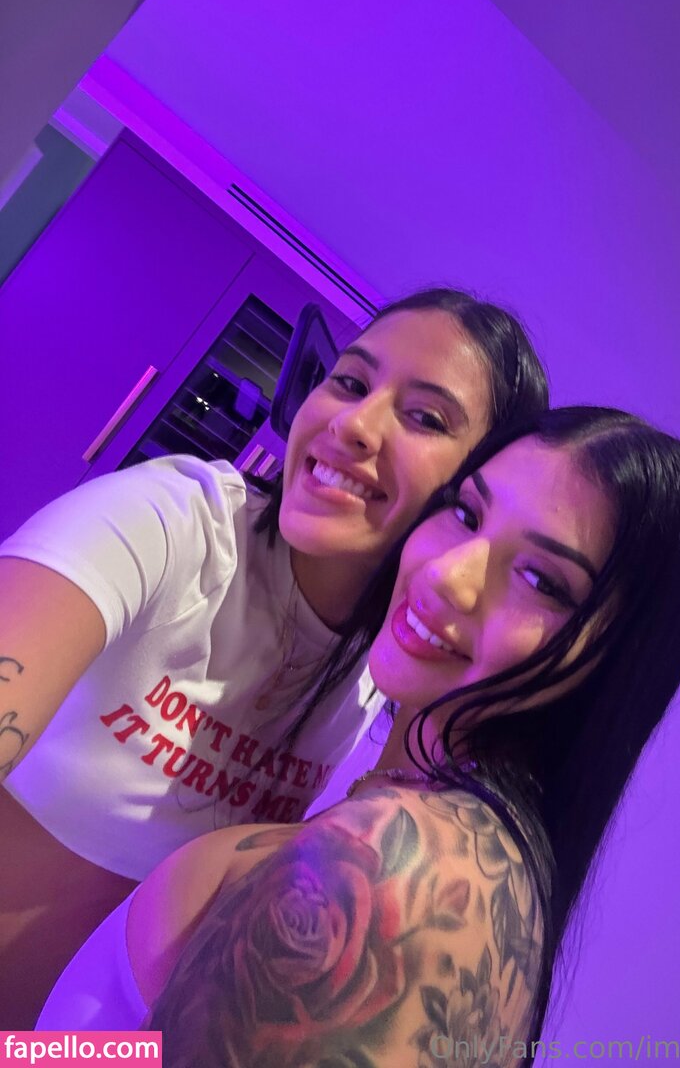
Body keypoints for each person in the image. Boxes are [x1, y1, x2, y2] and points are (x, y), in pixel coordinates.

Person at [37, 407, 680, 1067]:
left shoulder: (395, 873)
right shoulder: (456, 834)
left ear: (613, 661)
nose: (445, 575)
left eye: (538, 579)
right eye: (466, 513)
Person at [0, 287, 549, 1026]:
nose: (352, 423)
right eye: (349, 382)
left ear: (473, 498)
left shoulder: (386, 669)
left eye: (424, 418)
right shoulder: (173, 521)